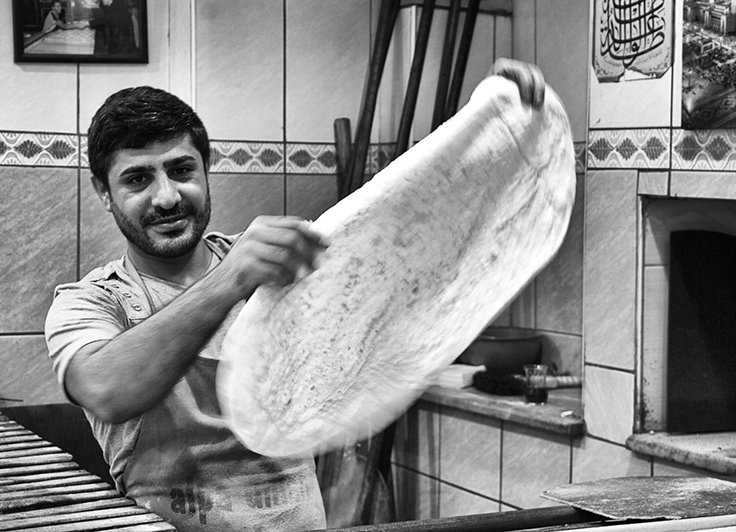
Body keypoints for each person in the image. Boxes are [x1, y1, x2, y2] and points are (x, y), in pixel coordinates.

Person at [44, 58, 545, 532]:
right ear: (104, 192)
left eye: (181, 170)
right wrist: (229, 281)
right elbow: (106, 390)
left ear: (205, 168)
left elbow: (412, 238)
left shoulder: (278, 259)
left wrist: (493, 120)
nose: (168, 196)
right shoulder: (92, 302)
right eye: (138, 179)